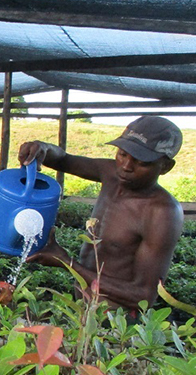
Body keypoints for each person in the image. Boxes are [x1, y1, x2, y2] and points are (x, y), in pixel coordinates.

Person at [18, 115, 183, 311]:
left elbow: (143, 296)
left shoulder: (162, 212)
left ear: (165, 167)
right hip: (81, 306)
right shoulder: (110, 173)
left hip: (116, 323)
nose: (126, 167)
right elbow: (63, 159)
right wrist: (42, 148)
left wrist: (67, 262)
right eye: (122, 154)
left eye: (142, 162)